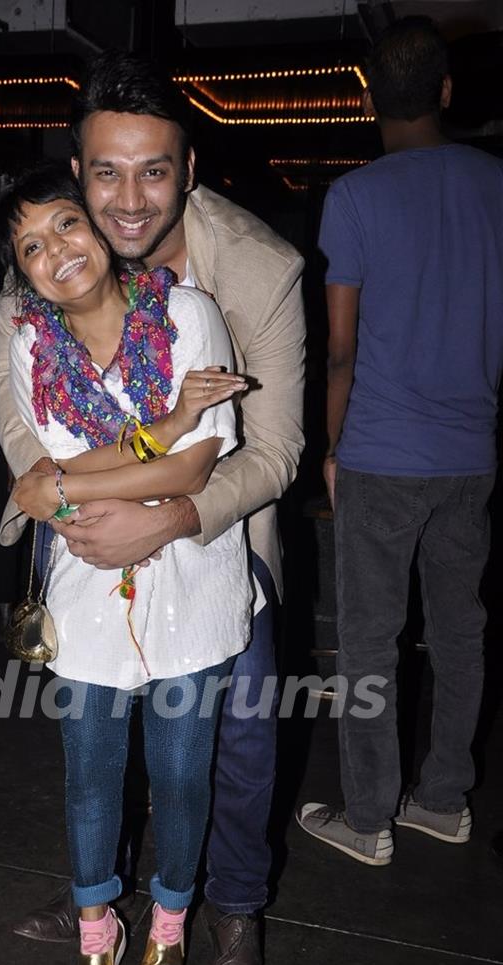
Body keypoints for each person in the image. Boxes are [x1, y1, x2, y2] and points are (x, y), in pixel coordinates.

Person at [0, 52, 305, 965]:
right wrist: (74, 501)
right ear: (76, 174)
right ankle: (100, 903)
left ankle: (231, 912)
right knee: (94, 750)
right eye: (106, 173)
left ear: (189, 169)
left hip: (222, 538)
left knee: (233, 745)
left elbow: (271, 450)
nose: (130, 197)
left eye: (153, 170)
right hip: (84, 550)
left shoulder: (254, 272)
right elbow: (26, 450)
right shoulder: (32, 291)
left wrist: (162, 511)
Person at [297, 17, 503, 864]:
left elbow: (341, 348)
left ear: (369, 96)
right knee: (460, 634)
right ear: (446, 92)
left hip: (384, 449)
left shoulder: (356, 196)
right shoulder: (495, 184)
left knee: (372, 641)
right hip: (471, 452)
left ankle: (370, 817)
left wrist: (334, 447)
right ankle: (445, 800)